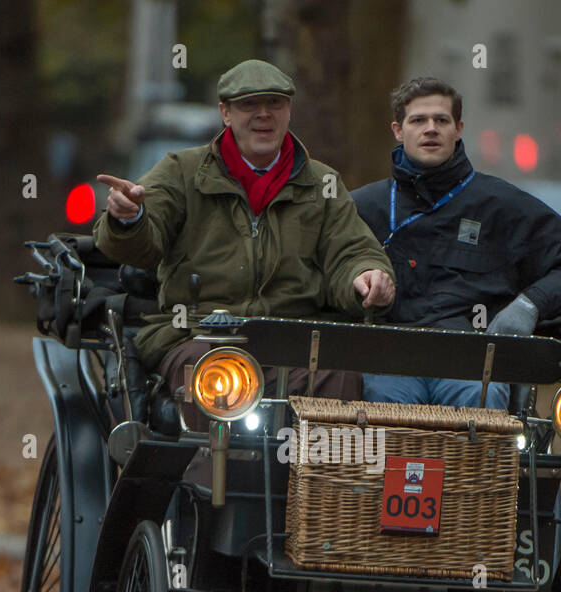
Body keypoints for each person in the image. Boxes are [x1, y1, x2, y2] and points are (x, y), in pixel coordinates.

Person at [91, 59, 394, 426]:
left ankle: (315, 482)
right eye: (249, 104)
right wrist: (128, 218)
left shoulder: (322, 183)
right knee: (218, 372)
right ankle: (207, 482)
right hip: (198, 333)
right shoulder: (181, 171)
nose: (264, 114)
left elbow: (351, 250)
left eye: (275, 104)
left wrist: (365, 275)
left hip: (293, 340)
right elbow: (141, 245)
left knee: (340, 377)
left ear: (289, 111)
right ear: (225, 112)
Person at [352, 77, 561, 409]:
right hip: (390, 363)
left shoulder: (501, 205)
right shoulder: (363, 206)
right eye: (418, 120)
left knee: (480, 400)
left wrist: (528, 306)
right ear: (398, 131)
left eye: (441, 120)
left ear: (458, 129)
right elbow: (326, 262)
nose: (431, 129)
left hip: (473, 365)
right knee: (381, 407)